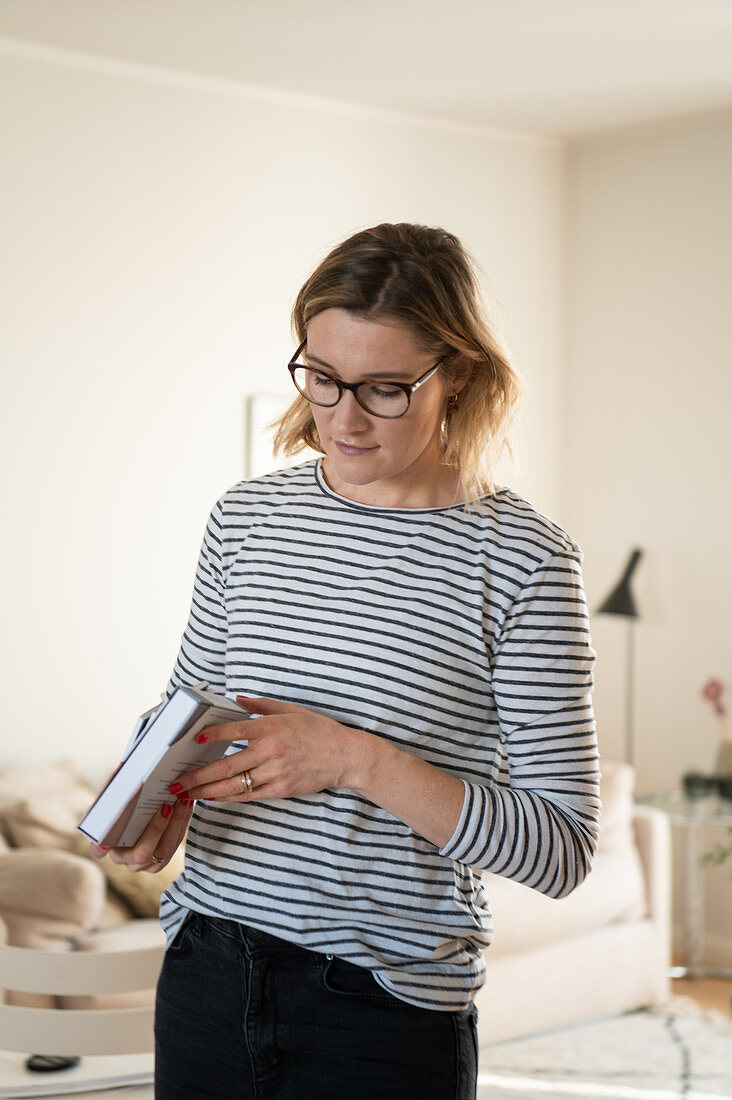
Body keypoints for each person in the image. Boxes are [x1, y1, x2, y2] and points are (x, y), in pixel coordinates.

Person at [92, 222, 600, 1100]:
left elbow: (561, 847)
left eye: (386, 389)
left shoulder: (525, 560)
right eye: (322, 379)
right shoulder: (246, 520)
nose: (344, 417)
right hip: (208, 971)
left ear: (461, 375)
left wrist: (354, 757)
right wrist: (155, 790)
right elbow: (189, 709)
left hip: (383, 1009)